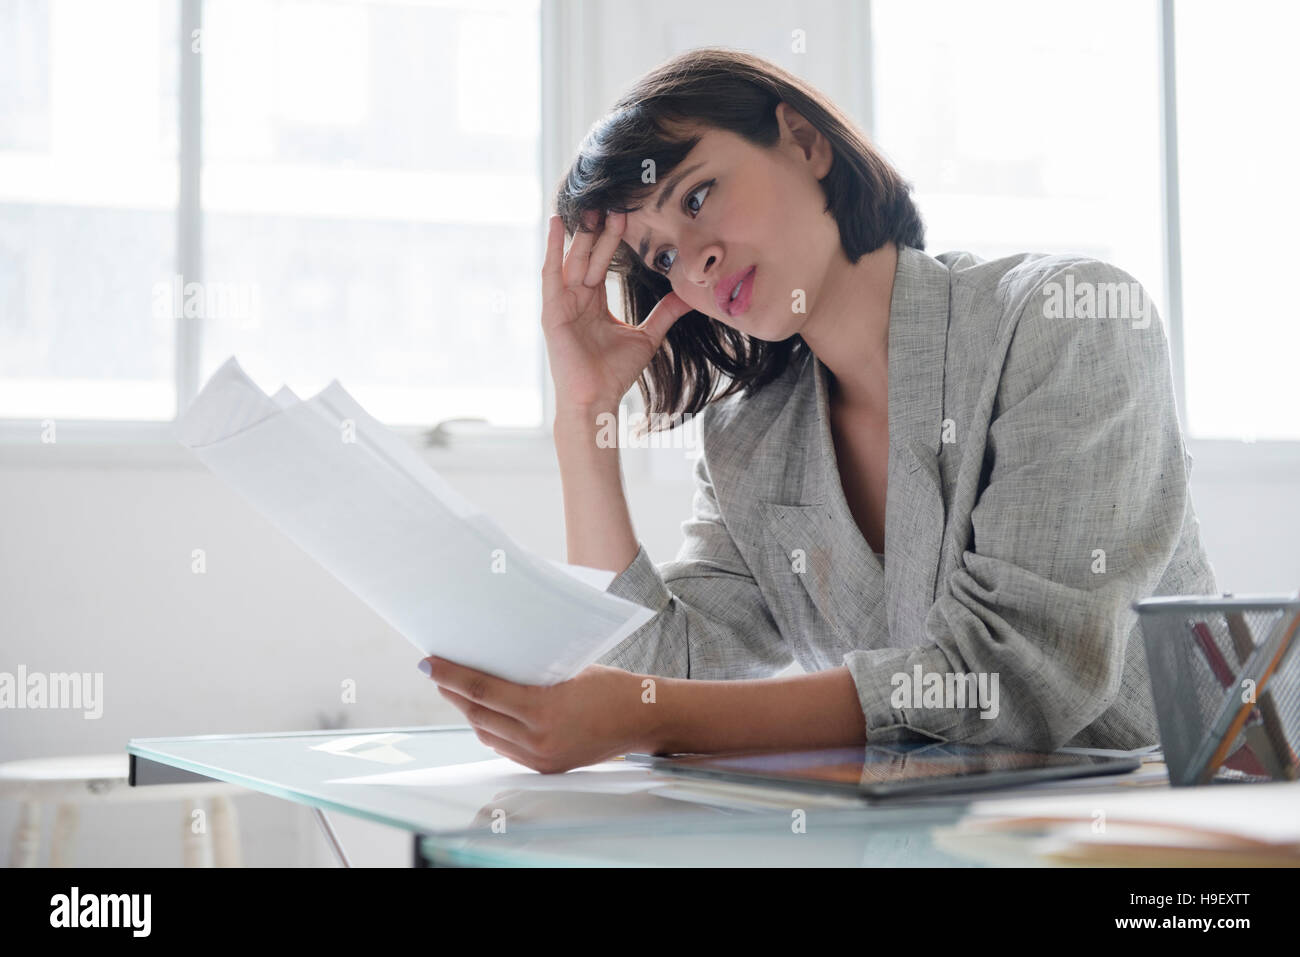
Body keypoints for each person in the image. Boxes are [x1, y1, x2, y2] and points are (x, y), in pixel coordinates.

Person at [421, 48, 1218, 773]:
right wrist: (585, 412)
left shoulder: (1070, 322)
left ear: (804, 141)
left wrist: (640, 714)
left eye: (697, 195)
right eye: (661, 256)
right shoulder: (750, 437)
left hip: (1208, 823)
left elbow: (1010, 684)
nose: (691, 262)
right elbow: (655, 673)